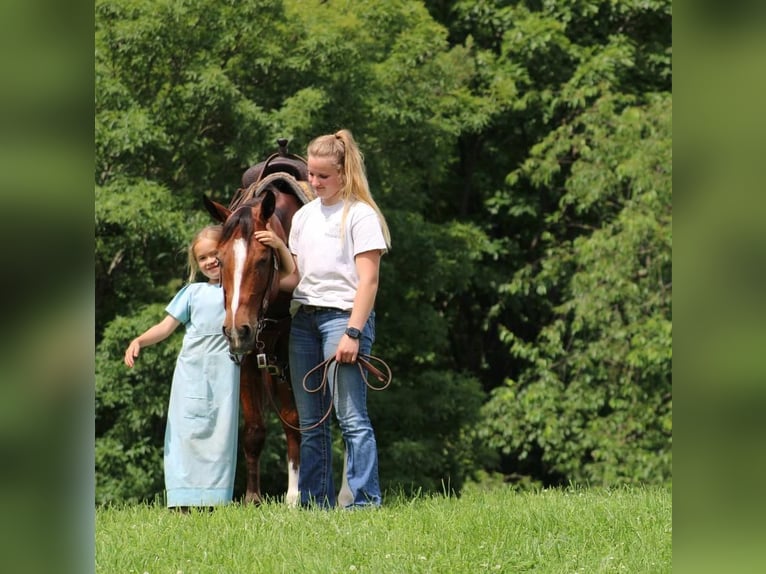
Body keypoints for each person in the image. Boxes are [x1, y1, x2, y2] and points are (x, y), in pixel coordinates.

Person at [284, 129, 391, 509]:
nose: (313, 183)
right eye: (311, 174)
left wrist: (353, 332)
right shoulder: (304, 217)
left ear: (344, 173)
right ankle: (316, 505)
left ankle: (364, 502)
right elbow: (296, 277)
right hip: (304, 322)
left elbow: (369, 280)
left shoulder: (361, 216)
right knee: (311, 423)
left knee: (351, 418)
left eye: (322, 176)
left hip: (342, 320)